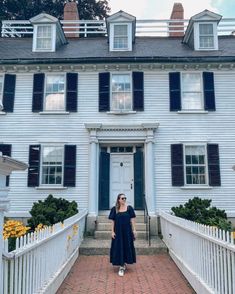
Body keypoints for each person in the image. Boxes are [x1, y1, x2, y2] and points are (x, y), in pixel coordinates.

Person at [109, 193, 137, 276]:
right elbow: (112, 221)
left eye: (125, 198)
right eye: (122, 198)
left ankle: (124, 263)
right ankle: (121, 266)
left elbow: (132, 220)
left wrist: (134, 230)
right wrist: (112, 231)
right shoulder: (115, 209)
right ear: (118, 200)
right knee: (119, 247)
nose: (124, 200)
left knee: (126, 246)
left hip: (127, 232)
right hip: (118, 232)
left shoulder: (129, 208)